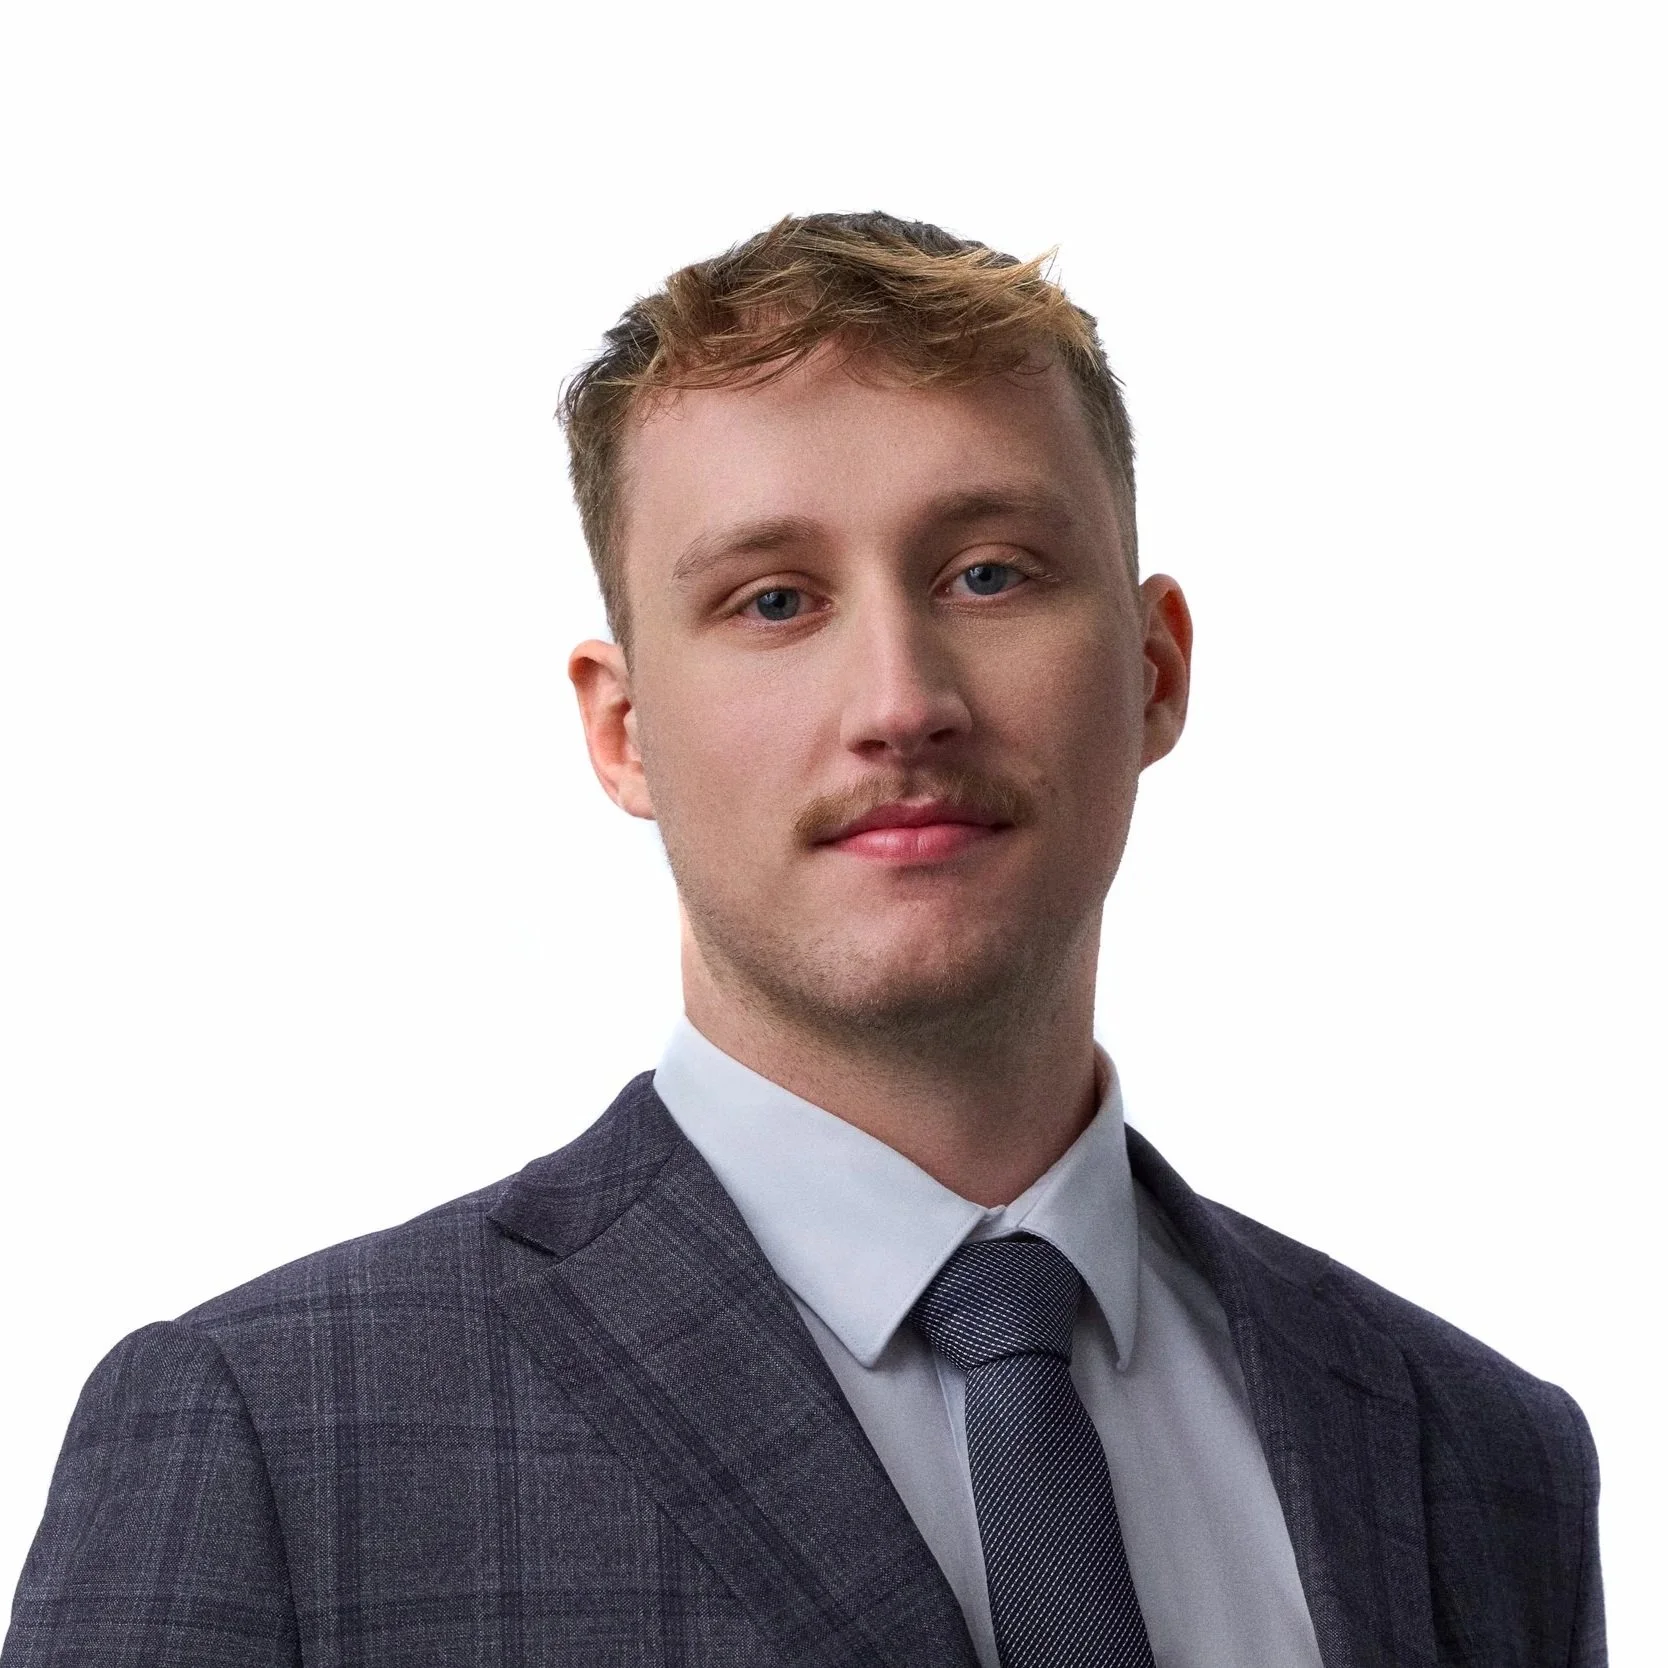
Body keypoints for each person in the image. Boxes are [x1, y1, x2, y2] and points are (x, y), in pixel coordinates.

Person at [2, 213, 1603, 1668]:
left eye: (989, 574)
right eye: (773, 601)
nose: (902, 702)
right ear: (623, 730)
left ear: (1156, 669)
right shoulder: (279, 1440)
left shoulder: (1475, 1456)